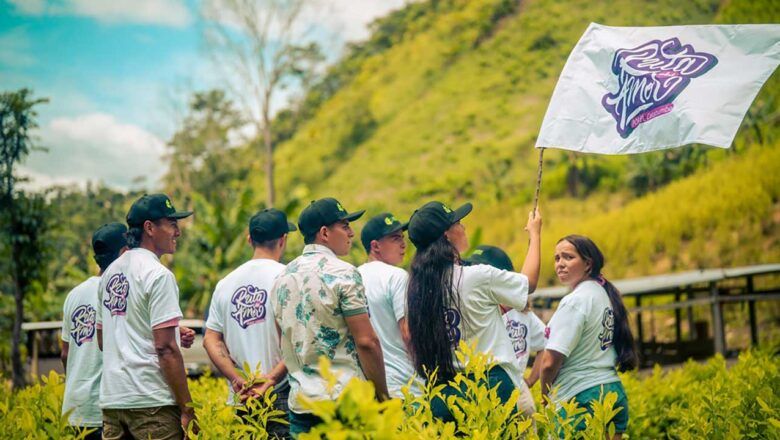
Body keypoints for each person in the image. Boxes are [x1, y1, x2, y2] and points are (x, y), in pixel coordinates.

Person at [405, 201, 541, 422]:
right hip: (491, 386)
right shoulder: (477, 276)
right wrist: (534, 234)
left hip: (444, 393)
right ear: (447, 235)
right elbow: (529, 283)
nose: (464, 227)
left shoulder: (415, 289)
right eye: (458, 223)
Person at [272, 197, 388, 437]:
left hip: (302, 406)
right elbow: (366, 342)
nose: (351, 233)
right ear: (324, 233)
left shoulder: (282, 278)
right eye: (345, 226)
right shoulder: (344, 273)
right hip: (345, 403)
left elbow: (284, 338)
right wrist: (383, 397)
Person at [97, 194, 197, 439]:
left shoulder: (109, 274)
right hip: (152, 404)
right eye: (172, 224)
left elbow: (103, 339)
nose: (177, 232)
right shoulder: (158, 275)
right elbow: (165, 348)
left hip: (113, 403)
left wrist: (172, 331)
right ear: (149, 228)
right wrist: (187, 409)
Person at [204, 208, 295, 438]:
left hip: (241, 397)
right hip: (282, 394)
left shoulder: (225, 283)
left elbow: (210, 339)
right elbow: (299, 339)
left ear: (249, 240)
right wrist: (270, 379)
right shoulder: (289, 277)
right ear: (283, 239)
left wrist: (237, 379)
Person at [540, 235, 638, 439]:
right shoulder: (603, 294)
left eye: (568, 257)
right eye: (557, 258)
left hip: (579, 398)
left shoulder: (575, 301)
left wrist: (544, 395)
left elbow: (549, 362)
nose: (560, 264)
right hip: (612, 391)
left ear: (587, 264)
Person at [60, 222, 127, 439]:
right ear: (124, 253)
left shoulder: (74, 295)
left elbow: (65, 354)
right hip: (103, 412)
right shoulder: (119, 293)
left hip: (73, 410)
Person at [465, 245, 546, 419]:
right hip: (487, 384)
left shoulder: (523, 313)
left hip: (516, 385)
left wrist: (530, 381)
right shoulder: (477, 309)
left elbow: (546, 344)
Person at [357, 212, 422, 398]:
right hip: (404, 384)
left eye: (402, 237)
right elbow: (408, 333)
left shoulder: (352, 276)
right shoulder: (397, 276)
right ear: (375, 246)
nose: (403, 244)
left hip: (366, 387)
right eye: (395, 239)